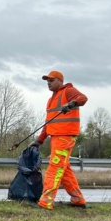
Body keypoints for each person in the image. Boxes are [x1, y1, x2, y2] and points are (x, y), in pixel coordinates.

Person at [30, 70, 88, 210]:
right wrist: (39, 140)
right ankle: (78, 200)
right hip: (56, 137)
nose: (48, 83)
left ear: (60, 81)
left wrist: (71, 104)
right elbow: (48, 123)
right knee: (64, 168)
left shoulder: (68, 90)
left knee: (54, 167)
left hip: (65, 137)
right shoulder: (51, 100)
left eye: (51, 80)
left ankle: (45, 202)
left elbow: (83, 98)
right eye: (47, 81)